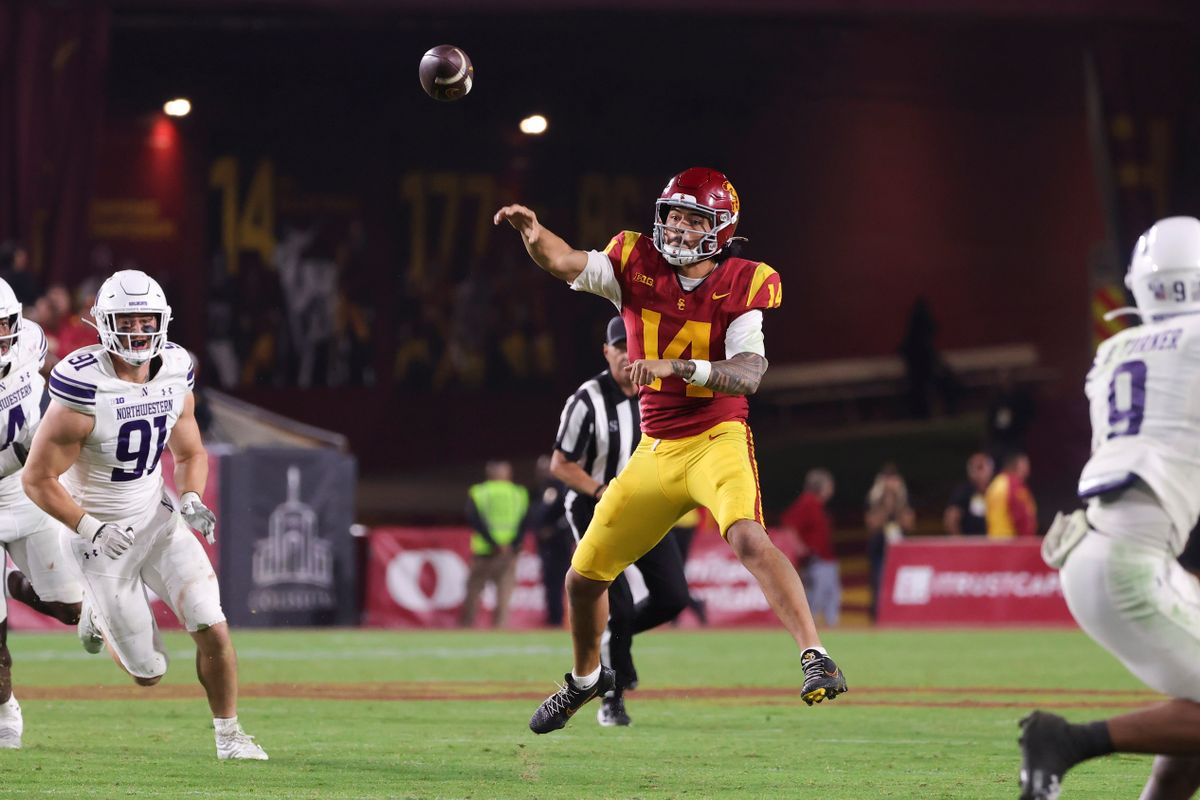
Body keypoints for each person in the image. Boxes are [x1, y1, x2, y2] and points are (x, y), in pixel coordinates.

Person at [495, 166, 847, 735]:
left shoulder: (742, 281)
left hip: (716, 438)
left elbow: (749, 372)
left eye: (692, 219)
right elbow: (564, 261)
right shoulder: (636, 264)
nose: (678, 229)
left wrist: (676, 367)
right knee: (582, 580)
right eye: (674, 216)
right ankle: (587, 681)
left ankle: (814, 655)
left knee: (748, 535)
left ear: (720, 229)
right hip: (657, 450)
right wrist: (534, 235)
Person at [21, 269, 267, 760]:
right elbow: (36, 479)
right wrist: (89, 526)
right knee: (148, 672)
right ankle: (92, 611)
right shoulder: (82, 386)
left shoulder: (176, 368)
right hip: (98, 539)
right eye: (126, 321)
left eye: (145, 320)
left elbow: (191, 452)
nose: (137, 332)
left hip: (157, 520)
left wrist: (193, 498)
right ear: (104, 324)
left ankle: (230, 736)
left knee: (211, 624)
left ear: (163, 321)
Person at [1018, 217, 1200, 800]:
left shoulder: (1114, 352)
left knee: (1191, 730)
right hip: (1129, 564)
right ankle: (1067, 740)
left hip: (1102, 549)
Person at [550, 316, 690, 727]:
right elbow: (560, 463)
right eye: (621, 347)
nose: (630, 356)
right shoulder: (586, 399)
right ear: (606, 351)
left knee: (673, 597)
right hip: (594, 506)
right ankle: (611, 697)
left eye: (635, 347)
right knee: (617, 603)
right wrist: (600, 491)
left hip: (642, 506)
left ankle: (613, 635)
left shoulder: (655, 393)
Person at [0, 278, 84, 748]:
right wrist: (22, 450)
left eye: (2, 325)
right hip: (11, 472)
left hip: (25, 491)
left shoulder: (30, 339)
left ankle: (13, 582)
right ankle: (5, 708)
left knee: (71, 608)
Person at [459, 460, 529, 628]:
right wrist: (512, 544)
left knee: (473, 592)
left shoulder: (479, 492)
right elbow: (525, 522)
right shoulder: (519, 493)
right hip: (509, 553)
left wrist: (493, 542)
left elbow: (474, 519)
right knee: (504, 595)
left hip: (484, 551)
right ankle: (500, 629)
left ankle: (466, 627)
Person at [780, 469, 840, 626]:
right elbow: (789, 525)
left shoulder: (815, 504)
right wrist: (800, 548)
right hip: (817, 561)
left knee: (829, 596)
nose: (831, 489)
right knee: (817, 599)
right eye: (829, 485)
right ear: (821, 486)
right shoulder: (808, 502)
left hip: (824, 559)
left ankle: (832, 629)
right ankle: (810, 632)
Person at [865, 464, 915, 621]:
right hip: (879, 551)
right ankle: (878, 619)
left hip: (902, 552)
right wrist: (886, 503)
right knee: (879, 586)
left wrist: (898, 502)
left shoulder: (905, 499)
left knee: (903, 587)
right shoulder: (873, 499)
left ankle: (903, 619)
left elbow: (909, 524)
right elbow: (872, 524)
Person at [527, 455, 572, 628]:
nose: (543, 473)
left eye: (546, 469)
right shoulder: (538, 490)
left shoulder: (563, 487)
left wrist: (553, 530)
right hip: (545, 545)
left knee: (560, 583)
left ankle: (558, 619)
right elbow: (534, 515)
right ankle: (553, 618)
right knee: (549, 583)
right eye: (540, 470)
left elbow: (569, 515)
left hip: (560, 544)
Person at [985, 451, 1037, 538]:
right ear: (1018, 465)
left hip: (994, 541)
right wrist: (1028, 540)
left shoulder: (995, 483)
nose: (1028, 469)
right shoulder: (1013, 485)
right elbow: (1021, 517)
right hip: (1012, 543)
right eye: (1026, 464)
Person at [944, 452, 994, 536]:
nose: (978, 473)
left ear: (991, 470)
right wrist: (960, 543)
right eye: (974, 468)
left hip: (994, 542)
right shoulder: (963, 491)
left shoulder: (997, 489)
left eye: (981, 468)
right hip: (971, 543)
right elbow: (951, 519)